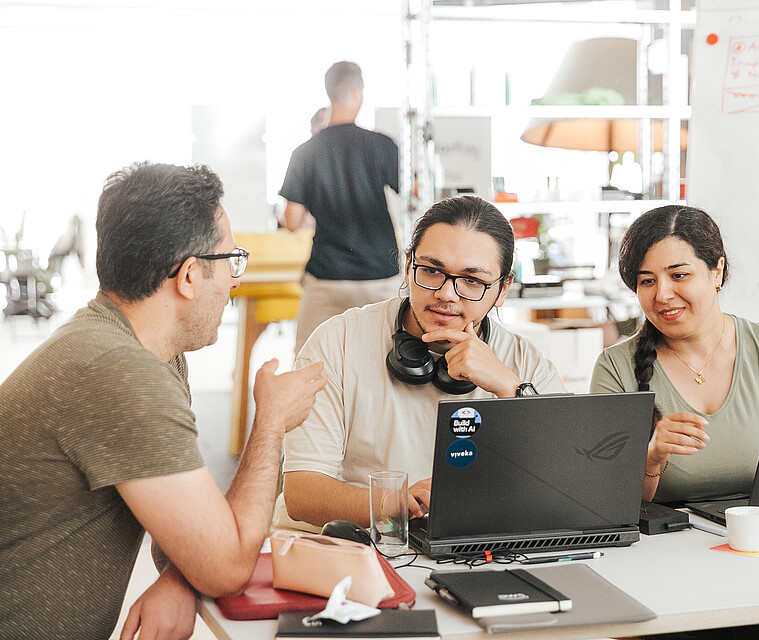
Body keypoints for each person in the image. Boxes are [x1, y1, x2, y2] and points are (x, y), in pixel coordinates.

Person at [0, 162, 327, 640]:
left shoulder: (144, 351)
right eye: (231, 260)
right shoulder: (120, 373)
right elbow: (227, 566)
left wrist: (180, 580)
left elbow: (183, 521)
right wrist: (271, 421)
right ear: (190, 275)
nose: (235, 281)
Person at [590, 204, 759, 640]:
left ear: (717, 271)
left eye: (679, 275)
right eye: (646, 281)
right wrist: (651, 455)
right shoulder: (616, 367)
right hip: (667, 578)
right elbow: (602, 506)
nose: (662, 294)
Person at [273, 196, 566, 531]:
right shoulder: (336, 342)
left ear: (503, 289)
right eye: (431, 270)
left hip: (470, 552)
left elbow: (568, 483)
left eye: (472, 280)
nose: (446, 294)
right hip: (349, 551)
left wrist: (511, 389)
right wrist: (392, 503)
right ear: (409, 264)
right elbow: (302, 494)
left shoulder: (524, 363)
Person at [280, 60, 402, 353]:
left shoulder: (304, 153)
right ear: (357, 92)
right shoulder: (381, 145)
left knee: (310, 364)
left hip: (326, 277)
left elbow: (292, 220)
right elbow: (416, 196)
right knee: (389, 363)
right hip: (380, 276)